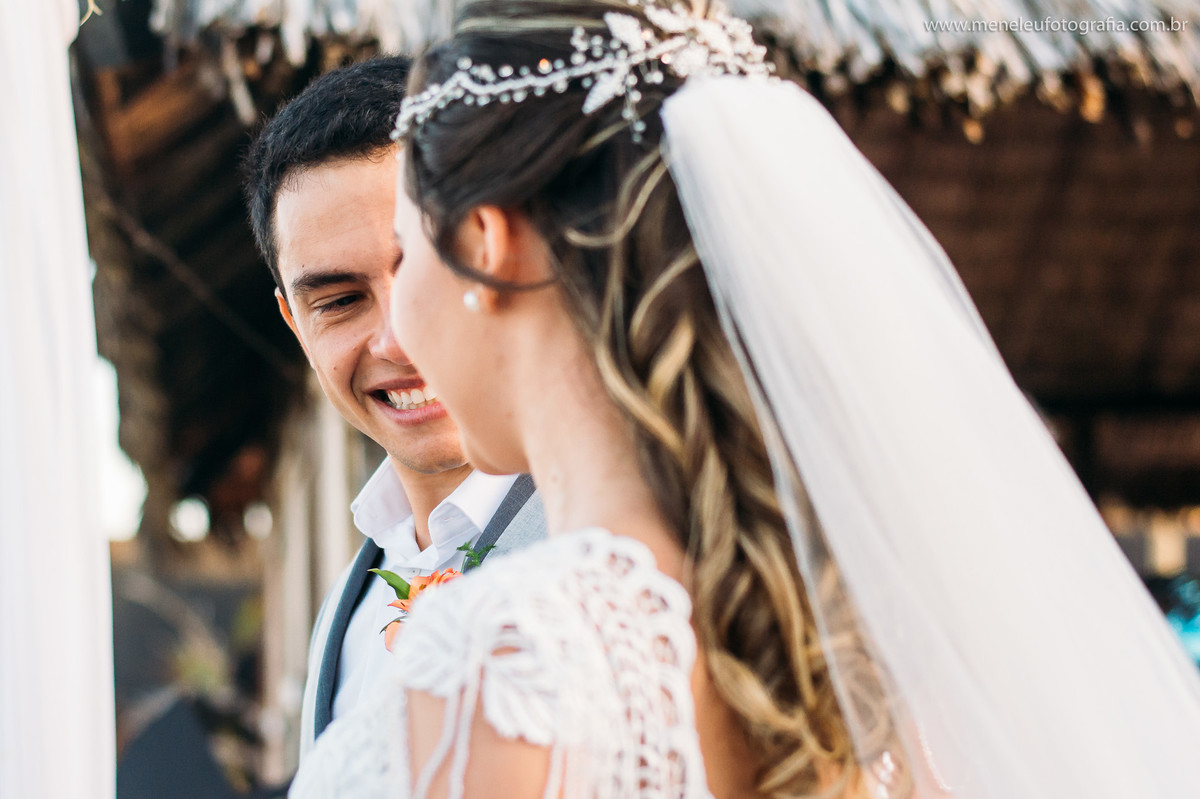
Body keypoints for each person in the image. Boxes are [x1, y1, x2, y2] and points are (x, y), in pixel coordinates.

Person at [291, 2, 1200, 798]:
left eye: (409, 246)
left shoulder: (496, 665)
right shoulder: (848, 626)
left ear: (486, 245)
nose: (397, 330)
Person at [242, 56, 546, 761]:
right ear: (295, 325)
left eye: (427, 270)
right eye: (340, 300)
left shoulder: (622, 546)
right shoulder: (338, 619)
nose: (397, 339)